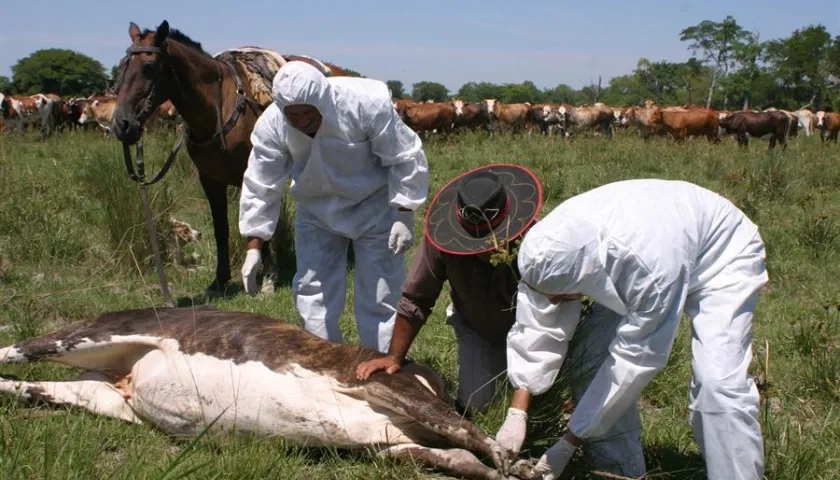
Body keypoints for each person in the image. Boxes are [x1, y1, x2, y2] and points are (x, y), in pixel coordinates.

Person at [354, 165, 646, 478]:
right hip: (479, 329)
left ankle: (559, 416)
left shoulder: (540, 246)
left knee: (560, 385)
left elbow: (546, 327)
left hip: (547, 333)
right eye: (476, 246)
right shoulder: (440, 243)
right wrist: (395, 356)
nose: (485, 253)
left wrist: (518, 410)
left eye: (493, 245)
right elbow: (416, 298)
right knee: (479, 405)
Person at [494, 178, 768, 480]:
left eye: (562, 296)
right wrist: (517, 412)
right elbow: (538, 321)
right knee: (591, 358)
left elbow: (634, 362)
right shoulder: (549, 245)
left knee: (717, 385)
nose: (556, 302)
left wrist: (568, 442)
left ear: (587, 277)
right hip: (653, 239)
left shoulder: (647, 271)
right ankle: (619, 470)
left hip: (719, 254)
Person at [238, 61, 430, 353]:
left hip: (374, 208)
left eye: (308, 113)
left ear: (322, 101)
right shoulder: (272, 124)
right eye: (294, 115)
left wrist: (404, 213)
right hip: (316, 212)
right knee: (313, 291)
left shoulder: (365, 103)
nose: (301, 121)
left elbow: (404, 156)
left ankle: (382, 368)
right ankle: (324, 366)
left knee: (380, 295)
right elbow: (261, 183)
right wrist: (254, 245)